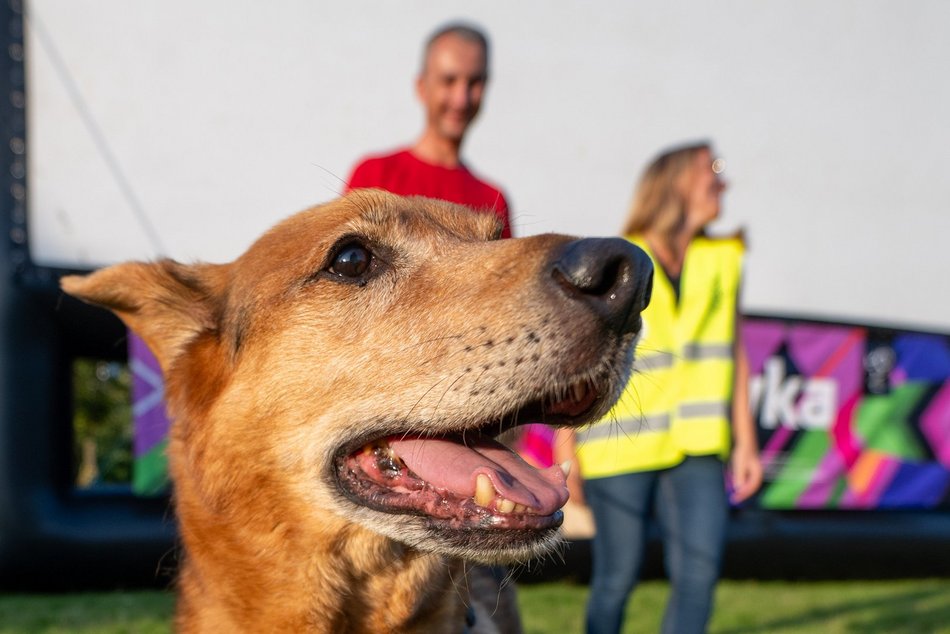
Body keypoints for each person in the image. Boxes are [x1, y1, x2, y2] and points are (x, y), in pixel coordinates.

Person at [554, 142, 763, 634]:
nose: (722, 180)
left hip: (699, 444)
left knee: (699, 574)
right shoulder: (620, 255)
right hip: (619, 447)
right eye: (712, 168)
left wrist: (746, 442)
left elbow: (733, 349)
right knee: (617, 577)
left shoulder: (724, 260)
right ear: (676, 181)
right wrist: (568, 444)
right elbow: (585, 348)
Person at [346, 22, 512, 238]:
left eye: (474, 82)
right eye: (448, 81)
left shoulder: (493, 202)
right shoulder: (374, 175)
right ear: (422, 87)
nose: (461, 99)